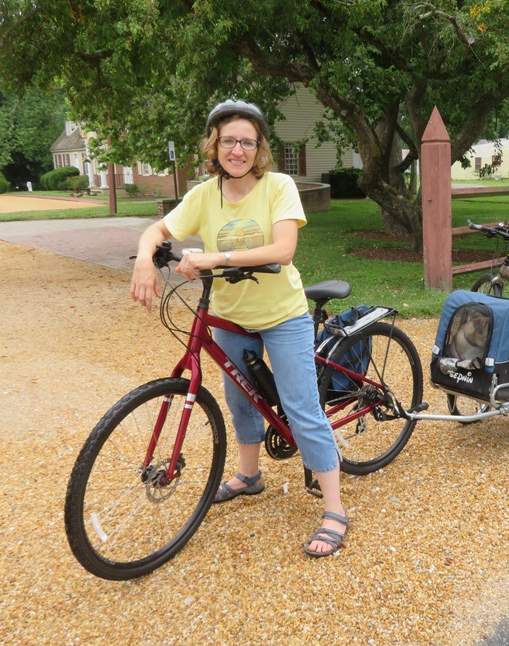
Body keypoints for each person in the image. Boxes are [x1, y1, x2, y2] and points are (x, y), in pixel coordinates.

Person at [130, 99, 347, 557]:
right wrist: (145, 262)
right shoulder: (204, 194)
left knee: (300, 406)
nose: (238, 149)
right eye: (229, 140)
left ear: (259, 148)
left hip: (281, 314)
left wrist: (216, 257)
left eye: (247, 142)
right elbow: (157, 231)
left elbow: (283, 249)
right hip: (229, 315)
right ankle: (250, 476)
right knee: (239, 400)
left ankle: (335, 508)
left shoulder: (278, 186)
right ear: (215, 145)